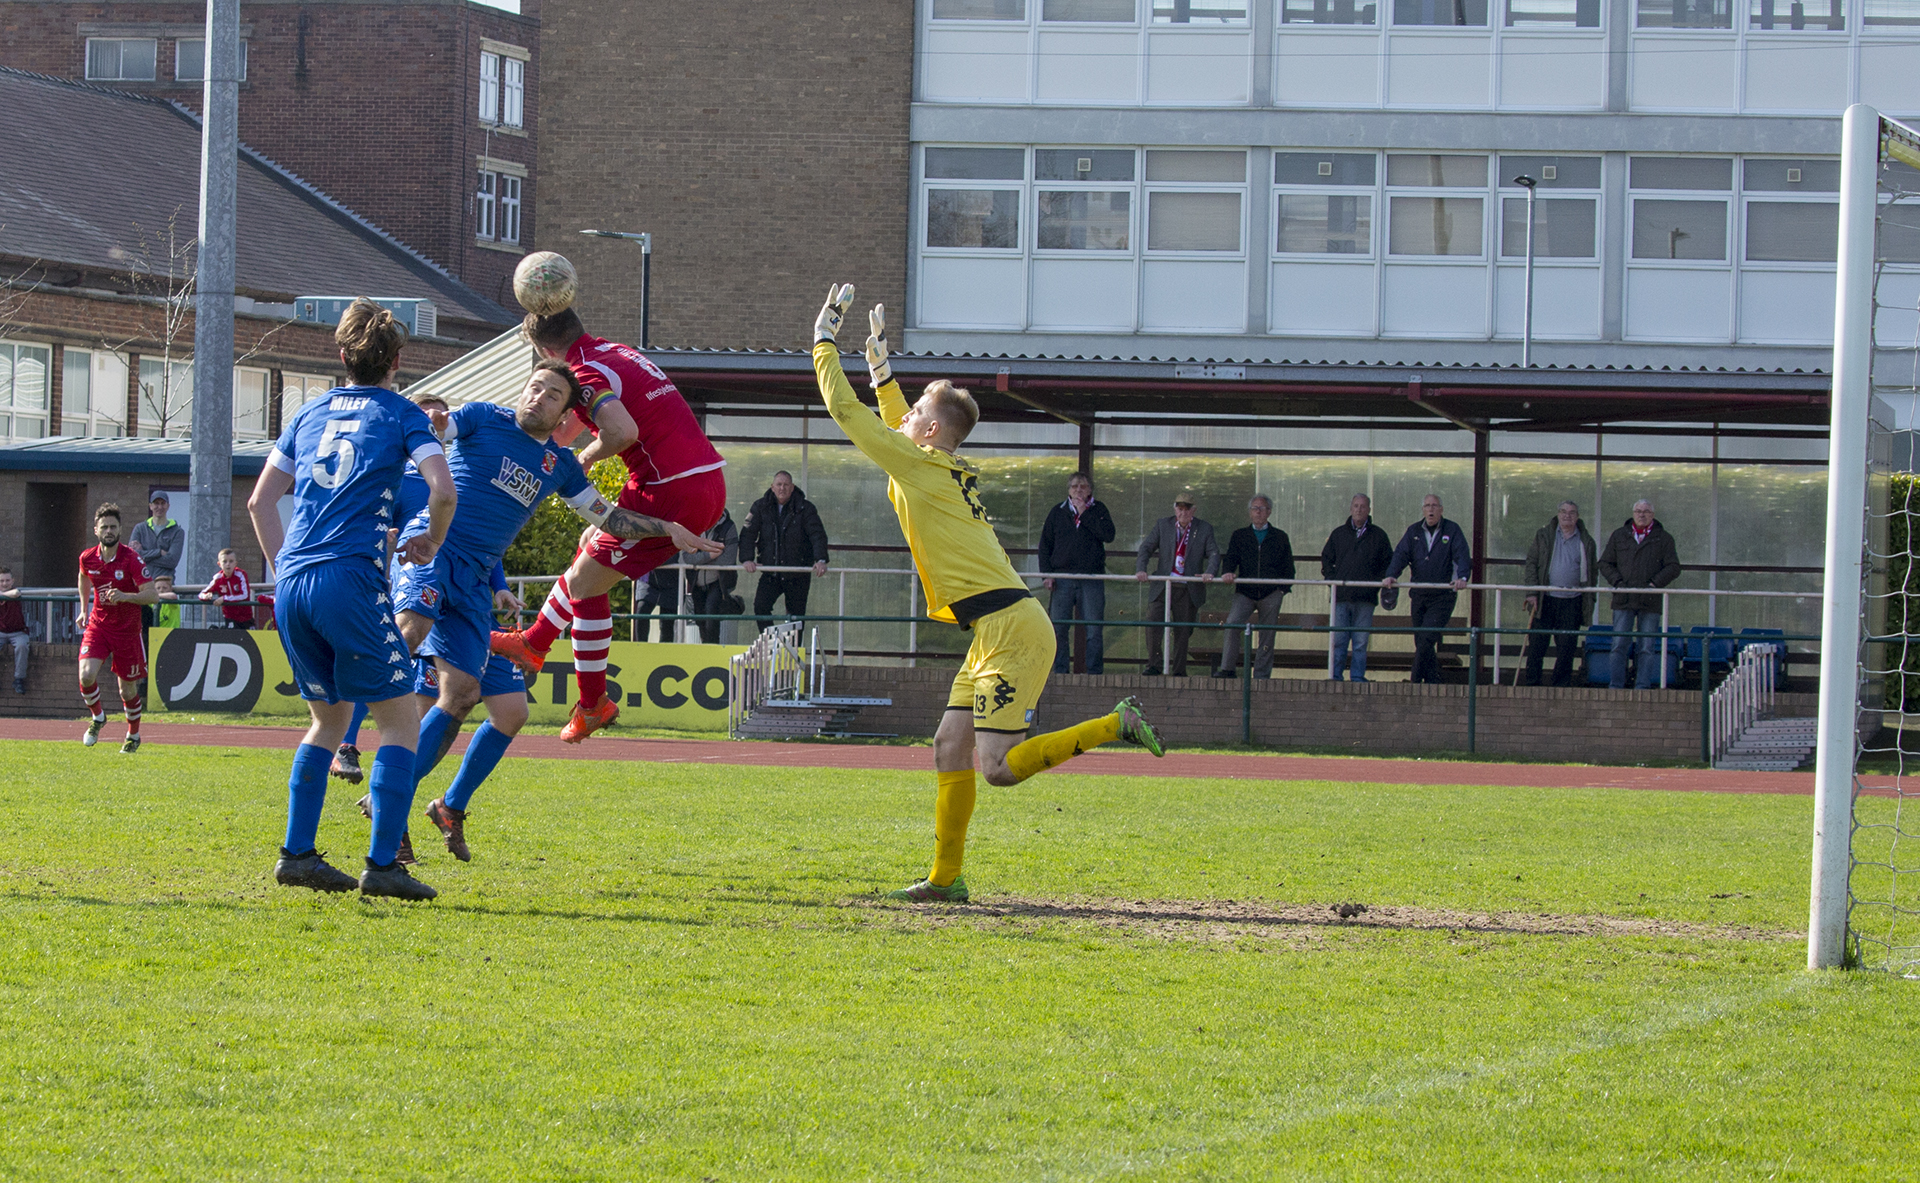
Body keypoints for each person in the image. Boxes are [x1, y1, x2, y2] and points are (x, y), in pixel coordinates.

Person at [814, 287, 1164, 903]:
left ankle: (1116, 724)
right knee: (949, 743)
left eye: (915, 407)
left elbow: (849, 414)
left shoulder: (919, 463)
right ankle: (946, 881)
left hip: (1013, 629)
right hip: (992, 629)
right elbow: (907, 422)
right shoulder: (930, 458)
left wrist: (823, 342)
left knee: (997, 768)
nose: (906, 413)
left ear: (926, 428)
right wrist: (882, 373)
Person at [399, 360, 700, 860]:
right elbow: (441, 428)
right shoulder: (482, 417)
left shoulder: (559, 465)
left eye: (553, 394)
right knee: (407, 636)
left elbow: (610, 517)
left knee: (467, 696)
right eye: (535, 387)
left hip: (474, 582)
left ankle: (411, 799)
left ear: (566, 412)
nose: (539, 396)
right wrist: (427, 423)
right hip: (433, 551)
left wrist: (666, 529)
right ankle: (349, 744)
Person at [247, 298, 455, 900]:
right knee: (397, 720)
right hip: (349, 578)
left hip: (292, 580)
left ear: (342, 357)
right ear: (397, 359)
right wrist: (428, 542)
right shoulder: (402, 413)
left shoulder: (308, 412)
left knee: (329, 720)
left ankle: (298, 855)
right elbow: (442, 490)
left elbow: (261, 503)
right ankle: (383, 866)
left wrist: (287, 565)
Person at [490, 306, 727, 742]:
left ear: (545, 349)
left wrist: (581, 460)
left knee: (581, 580)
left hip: (669, 487)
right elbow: (569, 430)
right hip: (704, 480)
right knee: (588, 561)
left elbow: (621, 432)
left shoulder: (583, 371)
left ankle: (538, 645)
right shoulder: (613, 351)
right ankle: (590, 701)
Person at [75, 502, 159, 753]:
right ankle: (98, 717)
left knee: (127, 689)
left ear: (120, 529)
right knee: (86, 675)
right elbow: (83, 576)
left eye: (113, 526)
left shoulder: (131, 559)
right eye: (104, 527)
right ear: (96, 530)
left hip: (127, 631)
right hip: (99, 625)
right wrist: (83, 608)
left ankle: (133, 735)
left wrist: (125, 596)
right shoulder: (87, 557)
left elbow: (153, 595)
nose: (109, 530)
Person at [1383, 494, 1471, 685]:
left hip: (1442, 597)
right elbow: (1400, 555)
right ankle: (1433, 681)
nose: (1431, 510)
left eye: (1434, 506)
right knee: (1422, 641)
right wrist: (1392, 575)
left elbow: (1462, 554)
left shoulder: (1452, 530)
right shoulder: (1413, 531)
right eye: (1427, 506)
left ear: (1441, 509)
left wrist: (1462, 577)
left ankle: (1414, 682)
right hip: (1419, 594)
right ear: (1423, 509)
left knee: (1426, 638)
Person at [1597, 498, 1683, 690]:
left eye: (1646, 511)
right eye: (1638, 511)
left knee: (1647, 647)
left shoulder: (1664, 538)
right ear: (1633, 513)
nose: (1642, 514)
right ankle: (1616, 686)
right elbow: (1604, 563)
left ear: (1652, 515)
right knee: (1619, 645)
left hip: (1650, 600)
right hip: (1623, 599)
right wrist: (1618, 582)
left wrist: (1654, 584)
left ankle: (1642, 687)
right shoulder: (1619, 535)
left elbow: (1674, 566)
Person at [1134, 490, 1220, 677]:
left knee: (1182, 631)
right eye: (1179, 509)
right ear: (1174, 509)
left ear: (1193, 510)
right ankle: (1154, 665)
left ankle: (1179, 671)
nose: (1183, 513)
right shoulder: (1163, 525)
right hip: (1164, 584)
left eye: (1187, 509)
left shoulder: (1204, 529)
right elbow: (1146, 548)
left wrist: (1209, 572)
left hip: (1187, 587)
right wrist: (1141, 569)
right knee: (1153, 622)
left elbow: (1214, 553)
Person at [1039, 472, 1115, 675]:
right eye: (1074, 487)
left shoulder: (1098, 510)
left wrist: (1085, 514)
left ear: (1090, 490)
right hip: (1062, 578)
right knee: (1058, 628)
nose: (1078, 490)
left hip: (1091, 578)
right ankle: (1060, 670)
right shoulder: (1058, 511)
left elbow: (1109, 535)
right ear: (1068, 490)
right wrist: (1047, 574)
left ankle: (1094, 672)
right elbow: (1045, 545)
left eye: (1082, 486)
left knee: (1093, 628)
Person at [1215, 495, 1295, 680]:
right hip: (1245, 591)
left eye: (1262, 508)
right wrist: (1227, 572)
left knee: (1267, 634)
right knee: (1232, 625)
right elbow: (1230, 559)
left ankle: (1261, 675)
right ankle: (1227, 669)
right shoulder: (1239, 535)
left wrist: (1282, 590)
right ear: (1250, 512)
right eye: (1254, 508)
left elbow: (1288, 567)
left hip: (1270, 593)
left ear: (1269, 512)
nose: (1258, 511)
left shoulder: (1280, 537)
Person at [739, 471, 830, 633]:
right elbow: (747, 534)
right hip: (771, 572)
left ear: (792, 487)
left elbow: (818, 535)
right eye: (779, 485)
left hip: (798, 573)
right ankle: (771, 644)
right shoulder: (760, 506)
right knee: (760, 607)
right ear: (772, 487)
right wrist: (747, 559)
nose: (782, 488)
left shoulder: (805, 508)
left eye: (786, 485)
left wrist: (821, 559)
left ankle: (792, 654)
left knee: (797, 618)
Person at [1520, 501, 1597, 687]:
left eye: (1571, 513)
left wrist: (1588, 601)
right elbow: (1531, 563)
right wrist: (1532, 592)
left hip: (1572, 601)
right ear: (1558, 514)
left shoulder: (1586, 541)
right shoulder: (1544, 535)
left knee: (1567, 648)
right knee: (1537, 645)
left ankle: (1560, 687)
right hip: (1545, 599)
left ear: (1577, 516)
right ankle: (1532, 685)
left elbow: (1593, 573)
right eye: (1563, 512)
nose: (1567, 516)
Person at [1321, 493, 1393, 682]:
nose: (1359, 509)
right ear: (1350, 508)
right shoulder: (1338, 534)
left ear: (1369, 509)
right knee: (1338, 641)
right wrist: (1332, 580)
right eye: (1356, 506)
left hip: (1366, 598)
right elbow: (1327, 559)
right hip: (1341, 597)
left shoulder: (1379, 535)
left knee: (1360, 642)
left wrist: (1377, 583)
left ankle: (1357, 678)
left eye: (1363, 506)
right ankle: (1335, 677)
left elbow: (1388, 563)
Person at [682, 508, 740, 644]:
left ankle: (713, 648)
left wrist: (700, 558)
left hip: (718, 582)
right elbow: (687, 557)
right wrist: (710, 554)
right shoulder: (692, 526)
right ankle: (705, 648)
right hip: (696, 582)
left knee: (711, 616)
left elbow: (728, 560)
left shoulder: (729, 527)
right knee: (700, 619)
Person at [197, 549, 255, 629]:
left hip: (246, 617)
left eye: (231, 561)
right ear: (219, 564)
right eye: (224, 561)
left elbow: (244, 595)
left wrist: (224, 598)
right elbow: (201, 594)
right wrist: (206, 596)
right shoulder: (218, 578)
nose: (228, 564)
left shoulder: (241, 574)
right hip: (230, 617)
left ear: (235, 563)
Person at [0, 566, 28, 693]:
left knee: (22, 646)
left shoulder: (15, 591)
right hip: (0, 632)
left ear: (12, 581)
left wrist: (2, 595)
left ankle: (18, 680)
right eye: (1, 581)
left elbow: (15, 593)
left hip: (17, 632)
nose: (4, 583)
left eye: (7, 580)